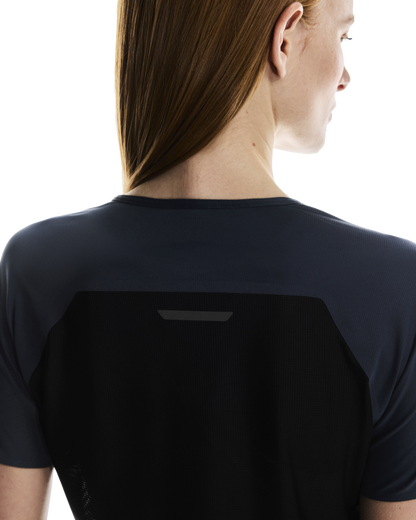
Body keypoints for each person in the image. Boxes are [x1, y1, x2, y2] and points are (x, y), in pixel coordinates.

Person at [125, 0, 355, 200]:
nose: (347, 79)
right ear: (285, 41)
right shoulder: (347, 241)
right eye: (344, 37)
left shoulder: (100, 238)